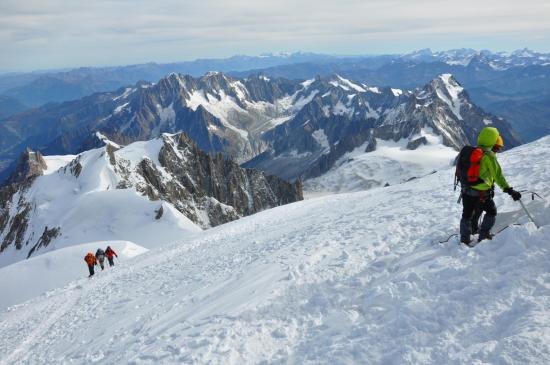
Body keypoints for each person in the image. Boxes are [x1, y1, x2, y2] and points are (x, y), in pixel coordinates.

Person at [460, 127, 522, 245]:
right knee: (491, 212)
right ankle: (483, 235)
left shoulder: (473, 152)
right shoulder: (489, 156)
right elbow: (498, 176)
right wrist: (509, 190)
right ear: (493, 141)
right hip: (482, 193)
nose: (497, 150)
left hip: (466, 190)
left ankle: (464, 239)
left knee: (467, 214)